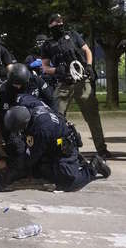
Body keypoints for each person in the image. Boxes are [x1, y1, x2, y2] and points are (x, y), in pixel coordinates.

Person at [41, 13, 110, 159]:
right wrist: (57, 70)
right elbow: (45, 67)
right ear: (50, 25)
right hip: (64, 83)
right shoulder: (47, 44)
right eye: (55, 23)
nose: (59, 24)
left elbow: (87, 51)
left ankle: (101, 149)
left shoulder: (72, 35)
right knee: (56, 117)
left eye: (60, 22)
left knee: (92, 116)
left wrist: (89, 66)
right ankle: (56, 149)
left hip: (81, 82)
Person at [2, 102, 111, 192]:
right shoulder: (32, 110)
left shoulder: (41, 129)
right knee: (40, 170)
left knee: (68, 182)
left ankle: (94, 167)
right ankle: (75, 163)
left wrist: (12, 172)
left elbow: (30, 157)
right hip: (52, 145)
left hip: (64, 149)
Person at [0, 63, 56, 157]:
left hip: (37, 115)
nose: (18, 87)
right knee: (14, 147)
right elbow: (5, 115)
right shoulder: (5, 89)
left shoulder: (36, 80)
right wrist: (10, 137)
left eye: (21, 84)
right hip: (17, 119)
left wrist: (54, 118)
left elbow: (50, 99)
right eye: (16, 84)